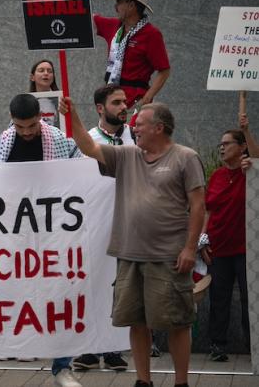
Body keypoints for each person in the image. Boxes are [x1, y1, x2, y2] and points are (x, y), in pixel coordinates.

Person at [61, 97, 205, 387]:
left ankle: (181, 382)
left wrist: (190, 248)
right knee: (136, 321)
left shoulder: (185, 157)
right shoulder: (126, 155)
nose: (133, 129)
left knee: (177, 323)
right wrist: (72, 115)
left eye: (139, 125)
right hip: (129, 255)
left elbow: (199, 205)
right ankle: (143, 381)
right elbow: (88, 148)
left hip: (168, 256)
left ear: (159, 128)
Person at [0, 94, 82, 387]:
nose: (26, 132)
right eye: (20, 127)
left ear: (41, 116)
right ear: (12, 121)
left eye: (32, 126)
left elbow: (83, 174)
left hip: (52, 236)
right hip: (9, 237)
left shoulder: (60, 141)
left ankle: (62, 367)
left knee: (57, 298)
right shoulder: (1, 144)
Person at [72, 86, 130, 372]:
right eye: (116, 102)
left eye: (125, 102)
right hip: (95, 223)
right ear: (99, 108)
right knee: (94, 285)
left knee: (123, 287)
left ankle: (115, 348)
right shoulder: (88, 141)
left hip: (131, 224)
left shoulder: (136, 135)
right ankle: (91, 349)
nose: (124, 106)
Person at [200, 127, 253, 362]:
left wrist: (247, 131)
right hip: (218, 248)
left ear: (242, 147)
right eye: (220, 144)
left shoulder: (250, 172)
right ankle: (217, 345)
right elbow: (208, 209)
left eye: (228, 143)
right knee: (218, 298)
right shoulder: (217, 176)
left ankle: (253, 345)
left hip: (246, 250)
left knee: (249, 299)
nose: (222, 147)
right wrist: (202, 239)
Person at [94, 0, 170, 113]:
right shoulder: (114, 25)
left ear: (131, 5)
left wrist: (146, 98)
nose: (115, 7)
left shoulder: (151, 34)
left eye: (119, 2)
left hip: (135, 100)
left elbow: (164, 70)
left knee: (131, 133)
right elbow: (86, 18)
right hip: (111, 98)